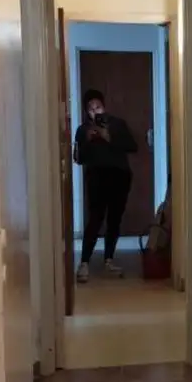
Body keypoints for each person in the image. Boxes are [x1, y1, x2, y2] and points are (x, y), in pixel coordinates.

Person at [74, 89, 138, 283]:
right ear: (86, 111)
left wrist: (107, 136)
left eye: (98, 107)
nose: (95, 111)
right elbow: (79, 159)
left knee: (114, 219)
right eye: (91, 108)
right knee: (95, 218)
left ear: (104, 107)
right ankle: (84, 262)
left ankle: (109, 259)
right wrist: (87, 140)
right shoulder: (83, 130)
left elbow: (132, 146)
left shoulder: (118, 124)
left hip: (119, 176)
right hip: (96, 178)